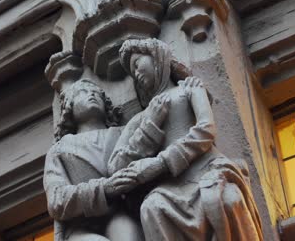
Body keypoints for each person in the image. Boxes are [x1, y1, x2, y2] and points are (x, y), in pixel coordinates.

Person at [108, 39, 263, 241]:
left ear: (157, 56)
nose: (136, 74)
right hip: (173, 188)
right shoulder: (141, 118)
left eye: (137, 64)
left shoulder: (189, 89)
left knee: (229, 199)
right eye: (132, 72)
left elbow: (206, 129)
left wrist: (161, 162)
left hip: (208, 171)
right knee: (151, 207)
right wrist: (148, 128)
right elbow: (115, 167)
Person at [43, 79, 169, 241]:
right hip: (81, 227)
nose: (92, 95)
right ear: (69, 106)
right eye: (83, 92)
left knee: (129, 235)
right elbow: (57, 200)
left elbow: (142, 152)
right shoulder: (60, 150)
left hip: (121, 214)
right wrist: (104, 189)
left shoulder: (122, 133)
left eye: (96, 93)